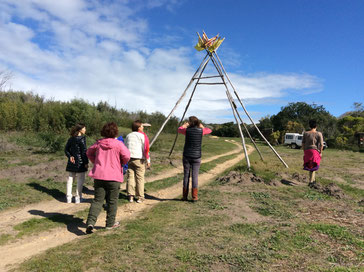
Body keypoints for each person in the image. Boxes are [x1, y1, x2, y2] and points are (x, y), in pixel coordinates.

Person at [85, 122, 130, 234]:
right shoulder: (118, 144)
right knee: (112, 201)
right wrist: (121, 163)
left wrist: (95, 161)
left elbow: (89, 152)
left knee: (97, 200)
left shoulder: (99, 143)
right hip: (114, 176)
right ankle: (110, 224)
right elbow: (127, 156)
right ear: (115, 132)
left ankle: (90, 222)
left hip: (99, 176)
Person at [178, 116, 212, 202]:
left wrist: (184, 125)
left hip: (186, 155)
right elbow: (209, 130)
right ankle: (194, 197)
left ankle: (184, 196)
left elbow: (179, 129)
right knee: (195, 176)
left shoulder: (186, 130)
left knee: (186, 175)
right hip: (197, 156)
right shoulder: (201, 131)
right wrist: (202, 127)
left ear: (189, 123)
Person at [125, 120, 151, 203]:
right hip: (139, 159)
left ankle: (130, 196)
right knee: (140, 178)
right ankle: (140, 197)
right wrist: (148, 160)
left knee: (130, 177)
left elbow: (125, 147)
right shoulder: (142, 136)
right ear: (138, 127)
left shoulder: (128, 136)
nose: (143, 127)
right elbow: (146, 149)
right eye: (142, 126)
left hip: (129, 159)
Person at [64, 123, 88, 204]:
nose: (85, 130)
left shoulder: (71, 139)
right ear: (80, 130)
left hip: (72, 161)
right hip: (80, 162)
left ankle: (68, 198)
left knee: (70, 179)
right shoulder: (82, 139)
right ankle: (78, 197)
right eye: (84, 128)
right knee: (80, 180)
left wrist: (70, 156)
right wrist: (86, 162)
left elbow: (66, 149)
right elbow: (84, 152)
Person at [302, 119, 324, 186]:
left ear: (309, 126)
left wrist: (304, 151)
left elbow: (303, 143)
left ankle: (313, 180)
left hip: (307, 151)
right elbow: (321, 144)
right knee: (313, 166)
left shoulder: (306, 133)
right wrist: (320, 152)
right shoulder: (318, 134)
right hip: (314, 151)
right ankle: (311, 182)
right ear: (316, 126)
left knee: (310, 166)